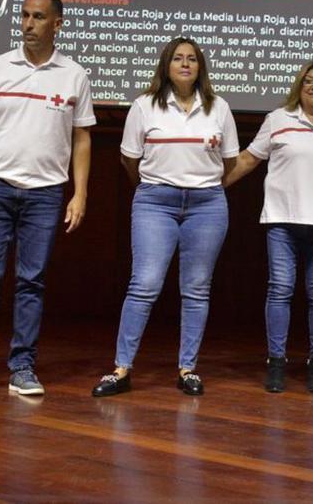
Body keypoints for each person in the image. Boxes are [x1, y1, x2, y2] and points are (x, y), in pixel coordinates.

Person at [0, 0, 95, 396]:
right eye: (25, 16)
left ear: (57, 24)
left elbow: (81, 138)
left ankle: (23, 367)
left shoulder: (74, 75)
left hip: (46, 192)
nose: (28, 24)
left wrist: (79, 193)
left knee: (31, 280)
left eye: (38, 17)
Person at [92, 37, 238, 397]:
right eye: (178, 59)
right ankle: (121, 369)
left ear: (200, 67)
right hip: (155, 203)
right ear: (166, 66)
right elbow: (130, 160)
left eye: (192, 59)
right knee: (144, 285)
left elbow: (230, 162)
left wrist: (203, 185)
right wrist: (154, 187)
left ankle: (188, 368)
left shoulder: (218, 107)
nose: (185, 64)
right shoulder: (144, 106)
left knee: (196, 289)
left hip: (207, 205)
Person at [224, 61, 313, 393]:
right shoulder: (278, 119)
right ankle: (276, 360)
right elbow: (249, 159)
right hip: (282, 220)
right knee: (280, 289)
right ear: (299, 85)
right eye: (309, 81)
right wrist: (210, 186)